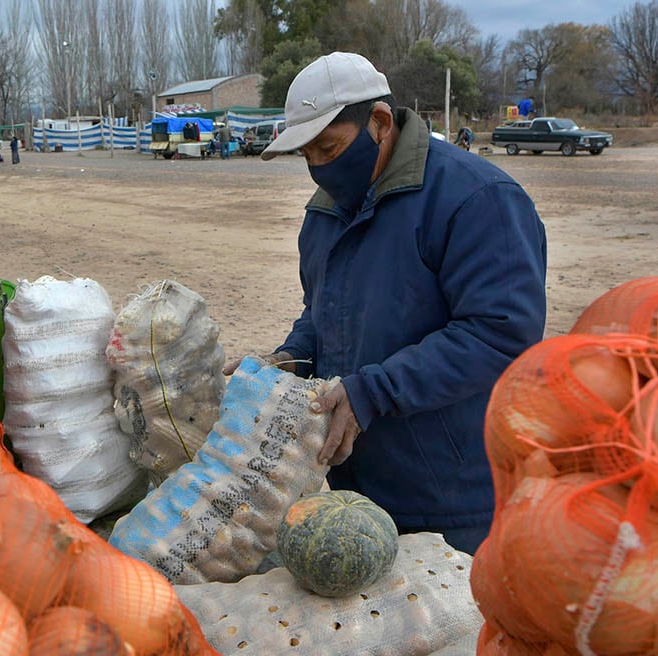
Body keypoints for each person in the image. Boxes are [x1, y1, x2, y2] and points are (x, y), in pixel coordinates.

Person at [232, 52, 547, 555]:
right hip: (357, 493)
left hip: (454, 497)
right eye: (305, 154)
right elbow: (322, 314)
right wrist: (288, 358)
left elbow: (500, 333)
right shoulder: (325, 215)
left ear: (379, 123)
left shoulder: (477, 199)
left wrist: (374, 391)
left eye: (329, 148)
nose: (318, 167)